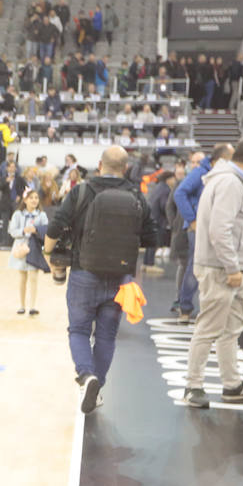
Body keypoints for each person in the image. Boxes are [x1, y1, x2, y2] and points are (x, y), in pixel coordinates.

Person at [43, 145, 157, 414]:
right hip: (121, 278)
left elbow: (55, 225)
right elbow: (152, 238)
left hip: (84, 272)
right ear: (126, 167)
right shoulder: (136, 196)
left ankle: (86, 376)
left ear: (99, 164)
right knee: (106, 336)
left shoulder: (82, 190)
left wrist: (49, 254)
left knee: (80, 330)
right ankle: (98, 387)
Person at [183, 136, 243, 408]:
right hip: (222, 268)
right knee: (209, 328)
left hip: (233, 267)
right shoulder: (230, 181)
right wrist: (231, 267)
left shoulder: (230, 179)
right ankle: (193, 385)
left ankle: (231, 384)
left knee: (231, 330)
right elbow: (220, 229)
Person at [173, 146, 229, 323]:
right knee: (195, 266)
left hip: (215, 226)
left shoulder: (219, 174)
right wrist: (192, 220)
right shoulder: (200, 173)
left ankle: (206, 307)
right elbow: (179, 193)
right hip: (198, 228)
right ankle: (185, 307)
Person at [10, 189, 49, 315]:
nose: (34, 200)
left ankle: (32, 306)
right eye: (31, 197)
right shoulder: (18, 214)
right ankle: (22, 305)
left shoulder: (41, 215)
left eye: (36, 198)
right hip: (20, 247)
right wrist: (23, 231)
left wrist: (36, 230)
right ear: (25, 200)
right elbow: (12, 231)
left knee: (33, 277)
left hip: (35, 248)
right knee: (22, 278)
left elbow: (47, 230)